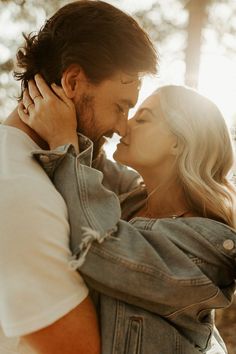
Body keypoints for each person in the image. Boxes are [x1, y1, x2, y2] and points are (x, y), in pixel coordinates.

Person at [18, 79, 236, 353]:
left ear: (179, 143)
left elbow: (101, 248)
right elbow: (87, 170)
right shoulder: (131, 197)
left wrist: (63, 141)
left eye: (142, 119)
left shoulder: (208, 246)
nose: (125, 125)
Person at [0, 1, 157, 353]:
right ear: (73, 82)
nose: (121, 127)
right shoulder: (16, 187)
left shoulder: (32, 166)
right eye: (120, 106)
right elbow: (81, 349)